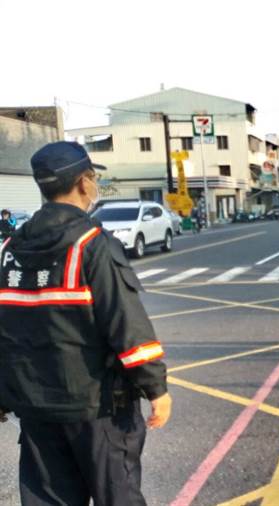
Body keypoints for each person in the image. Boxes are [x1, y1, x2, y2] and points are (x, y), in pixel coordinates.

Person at [0, 141, 171, 505]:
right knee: (118, 496)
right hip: (98, 409)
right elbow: (127, 325)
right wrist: (156, 388)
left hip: (36, 409)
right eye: (93, 179)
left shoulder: (11, 251)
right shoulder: (92, 244)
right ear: (83, 183)